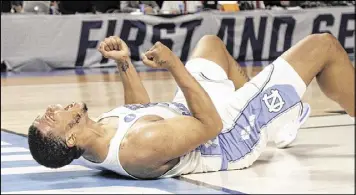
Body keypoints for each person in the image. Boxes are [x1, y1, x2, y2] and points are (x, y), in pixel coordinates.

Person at [28, 33, 355, 179]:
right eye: (49, 119)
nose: (52, 109)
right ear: (69, 139)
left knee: (210, 44)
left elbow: (144, 111)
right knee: (322, 46)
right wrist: (174, 66)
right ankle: (269, 119)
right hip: (228, 135)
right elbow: (209, 125)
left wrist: (125, 64)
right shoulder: (138, 147)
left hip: (187, 113)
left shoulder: (101, 136)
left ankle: (280, 119)